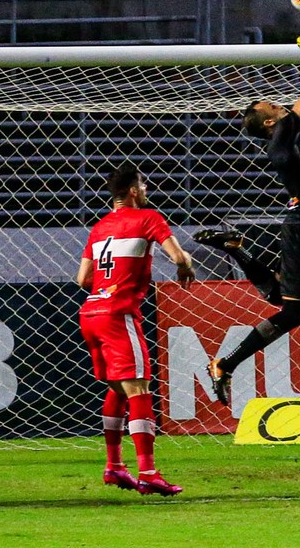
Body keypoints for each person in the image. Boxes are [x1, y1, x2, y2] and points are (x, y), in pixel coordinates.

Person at [195, 19, 300, 407]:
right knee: (290, 313)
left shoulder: (290, 133)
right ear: (271, 121)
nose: (282, 104)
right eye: (274, 106)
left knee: (282, 297)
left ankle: (237, 248)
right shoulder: (282, 141)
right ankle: (225, 363)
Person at [76, 163, 195, 496]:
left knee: (118, 389)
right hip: (119, 315)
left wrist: (109, 283)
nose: (146, 190)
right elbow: (177, 258)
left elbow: (82, 279)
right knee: (140, 390)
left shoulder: (99, 228)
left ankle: (114, 466)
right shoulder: (148, 218)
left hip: (91, 313)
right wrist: (187, 262)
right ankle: (148, 472)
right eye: (143, 185)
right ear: (133, 190)